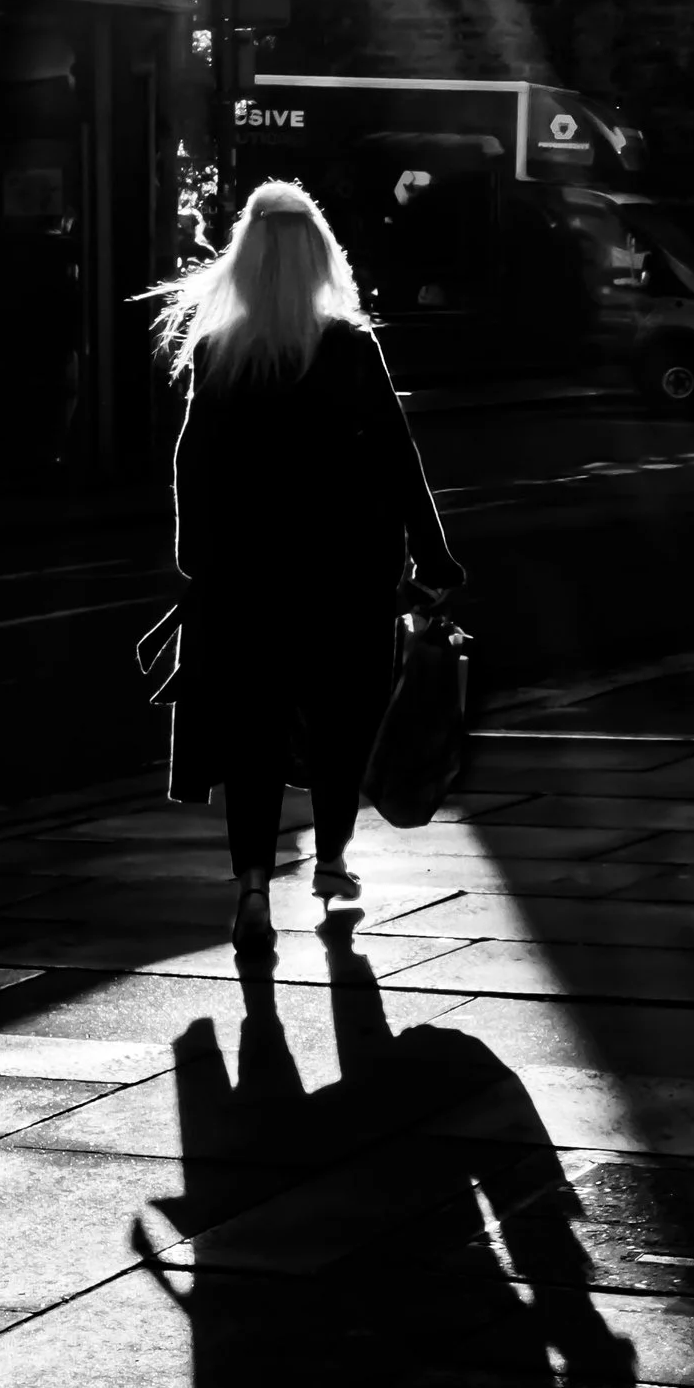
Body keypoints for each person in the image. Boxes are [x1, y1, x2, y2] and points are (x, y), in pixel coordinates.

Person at [147, 180, 462, 947]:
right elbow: (397, 456)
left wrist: (197, 557)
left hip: (248, 579)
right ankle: (330, 864)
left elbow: (195, 461)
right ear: (324, 258)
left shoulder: (221, 352)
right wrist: (435, 553)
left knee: (251, 731)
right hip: (348, 577)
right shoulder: (352, 349)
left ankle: (252, 888)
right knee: (343, 722)